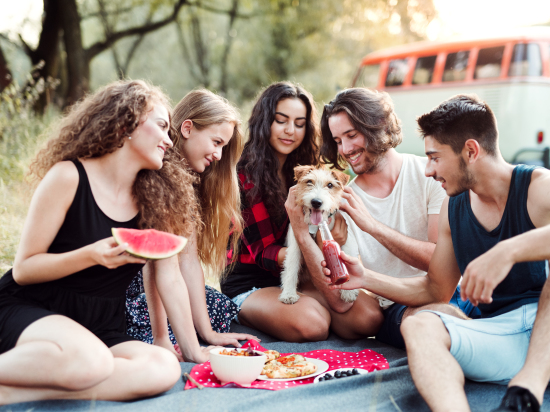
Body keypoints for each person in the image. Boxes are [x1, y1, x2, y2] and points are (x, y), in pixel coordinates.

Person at [324, 94, 550, 412]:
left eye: (435, 157)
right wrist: (366, 278)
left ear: (470, 151)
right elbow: (435, 289)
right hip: (504, 341)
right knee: (418, 324)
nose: (427, 170)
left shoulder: (540, 186)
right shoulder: (453, 208)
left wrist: (506, 252)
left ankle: (526, 393)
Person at [0, 80, 215, 405]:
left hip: (102, 321)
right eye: (161, 127)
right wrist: (91, 255)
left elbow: (168, 277)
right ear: (127, 123)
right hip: (37, 307)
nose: (169, 142)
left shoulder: (155, 199)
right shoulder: (68, 177)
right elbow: (24, 270)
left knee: (162, 367)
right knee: (92, 362)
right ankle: (70, 369)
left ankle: (13, 392)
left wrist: (192, 350)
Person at [287, 87, 474, 345]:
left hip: (457, 291)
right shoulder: (341, 201)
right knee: (441, 322)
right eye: (338, 140)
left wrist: (372, 226)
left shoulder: (430, 175)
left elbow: (438, 261)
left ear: (380, 124)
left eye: (352, 135)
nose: (345, 149)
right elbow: (339, 299)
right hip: (399, 307)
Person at [126, 89, 258, 352]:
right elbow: (161, 266)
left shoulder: (184, 180)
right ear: (187, 128)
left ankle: (187, 335)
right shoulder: (156, 171)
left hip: (166, 276)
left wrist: (206, 331)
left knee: (217, 307)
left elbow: (188, 259)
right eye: (216, 142)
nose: (219, 156)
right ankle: (165, 337)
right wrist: (187, 346)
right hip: (132, 284)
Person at [220, 81, 336, 342]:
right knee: (314, 323)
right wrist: (317, 257)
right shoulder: (243, 175)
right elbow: (264, 253)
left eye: (299, 123)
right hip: (250, 281)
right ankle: (242, 312)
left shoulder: (304, 173)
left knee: (363, 318)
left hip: (297, 271)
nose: (290, 131)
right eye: (281, 120)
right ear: (264, 122)